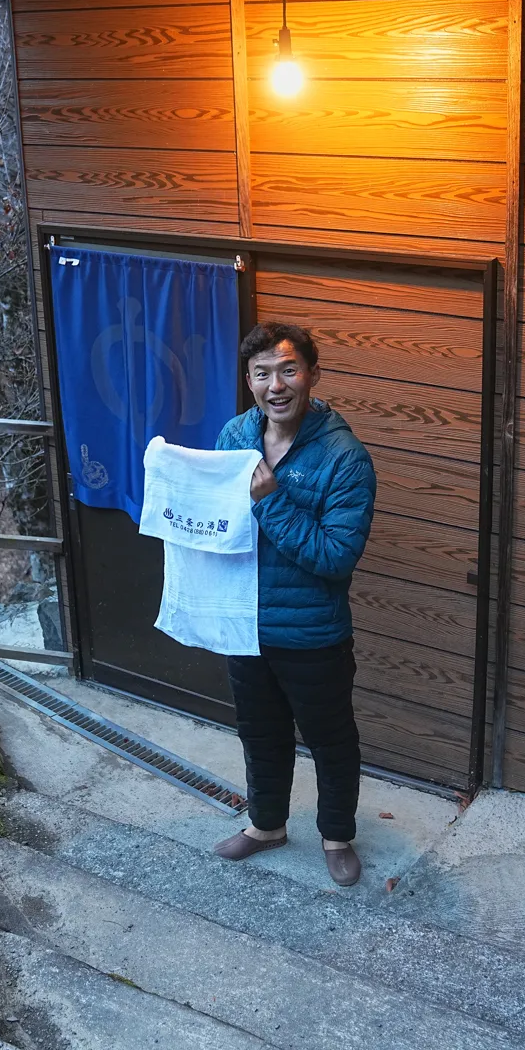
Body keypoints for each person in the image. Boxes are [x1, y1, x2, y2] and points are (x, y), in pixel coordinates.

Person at [211, 322, 377, 886]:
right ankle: (266, 826)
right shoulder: (234, 435)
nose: (275, 384)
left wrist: (271, 503)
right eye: (262, 374)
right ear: (249, 381)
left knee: (330, 740)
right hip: (245, 622)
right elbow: (217, 520)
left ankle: (336, 836)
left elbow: (335, 556)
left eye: (288, 370)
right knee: (260, 734)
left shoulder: (344, 457)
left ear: (311, 375)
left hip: (312, 634)